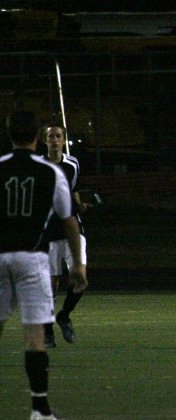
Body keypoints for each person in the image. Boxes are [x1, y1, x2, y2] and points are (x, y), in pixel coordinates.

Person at [0, 110, 87, 420]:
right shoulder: (50, 173)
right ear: (37, 136)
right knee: (35, 335)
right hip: (32, 258)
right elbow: (69, 221)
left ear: (9, 133)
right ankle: (40, 410)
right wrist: (78, 265)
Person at [41, 125, 89, 347]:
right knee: (51, 287)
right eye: (50, 136)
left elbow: (74, 190)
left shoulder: (73, 164)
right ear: (45, 140)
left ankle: (64, 316)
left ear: (63, 140)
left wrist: (79, 205)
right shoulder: (39, 167)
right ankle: (48, 331)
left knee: (80, 281)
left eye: (58, 136)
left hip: (72, 231)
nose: (54, 140)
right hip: (49, 234)